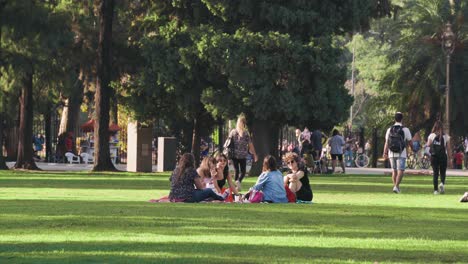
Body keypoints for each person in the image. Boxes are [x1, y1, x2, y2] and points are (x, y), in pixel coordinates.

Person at [383, 112, 412, 194]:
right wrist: (413, 149)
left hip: (391, 153)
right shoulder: (405, 129)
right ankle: (396, 186)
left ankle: (396, 187)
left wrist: (384, 152)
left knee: (394, 170)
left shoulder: (389, 129)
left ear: (394, 119)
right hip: (401, 153)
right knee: (401, 170)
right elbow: (410, 141)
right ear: (402, 119)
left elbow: (386, 142)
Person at [229, 115, 258, 191]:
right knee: (239, 171)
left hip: (239, 155)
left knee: (240, 171)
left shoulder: (241, 132)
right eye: (241, 122)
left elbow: (250, 144)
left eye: (242, 122)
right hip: (238, 155)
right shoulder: (238, 132)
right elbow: (228, 143)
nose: (241, 123)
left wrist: (254, 154)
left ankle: (237, 183)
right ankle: (237, 184)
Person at [427, 120, 451, 194]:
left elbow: (428, 145)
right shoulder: (446, 136)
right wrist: (450, 158)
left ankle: (435, 190)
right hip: (443, 156)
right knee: (443, 172)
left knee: (435, 173)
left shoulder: (431, 135)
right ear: (442, 127)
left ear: (435, 127)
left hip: (434, 157)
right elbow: (448, 148)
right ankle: (442, 184)